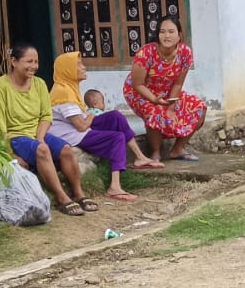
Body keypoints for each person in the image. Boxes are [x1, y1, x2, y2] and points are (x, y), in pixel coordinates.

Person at [0, 43, 95, 216]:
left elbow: (46, 116)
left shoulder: (40, 84)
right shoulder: (0, 88)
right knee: (42, 149)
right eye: (29, 61)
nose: (34, 66)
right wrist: (10, 155)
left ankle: (78, 193)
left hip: (37, 134)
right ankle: (61, 197)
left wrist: (40, 137)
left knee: (66, 149)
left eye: (36, 62)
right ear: (14, 61)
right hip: (16, 137)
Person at [49, 51, 162, 203]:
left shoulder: (69, 87)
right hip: (72, 135)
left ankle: (140, 158)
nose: (84, 67)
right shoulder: (63, 92)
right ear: (67, 70)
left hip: (78, 128)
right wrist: (90, 115)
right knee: (116, 138)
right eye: (79, 65)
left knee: (115, 116)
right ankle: (114, 187)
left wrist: (89, 116)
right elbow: (81, 126)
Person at [124, 16, 207, 163]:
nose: (166, 36)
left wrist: (170, 107)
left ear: (179, 35)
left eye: (171, 31)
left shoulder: (185, 53)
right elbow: (138, 84)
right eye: (162, 32)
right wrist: (155, 100)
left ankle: (177, 149)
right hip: (140, 91)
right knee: (154, 111)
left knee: (199, 106)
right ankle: (155, 153)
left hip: (168, 90)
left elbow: (177, 84)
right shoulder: (146, 53)